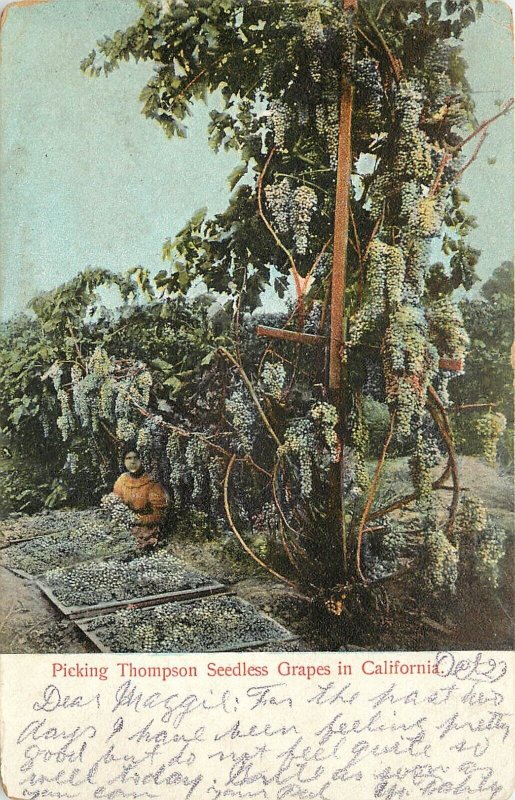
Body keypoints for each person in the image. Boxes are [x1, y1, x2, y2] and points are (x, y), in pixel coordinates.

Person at [113, 449, 169, 549]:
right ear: (124, 461)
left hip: (147, 531)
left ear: (142, 460)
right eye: (128, 458)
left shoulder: (151, 483)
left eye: (136, 458)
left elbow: (160, 515)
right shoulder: (121, 481)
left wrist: (139, 520)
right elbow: (116, 506)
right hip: (125, 528)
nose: (132, 462)